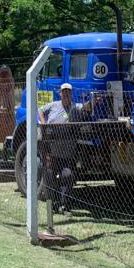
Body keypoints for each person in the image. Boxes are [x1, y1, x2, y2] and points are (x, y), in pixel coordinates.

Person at [39, 83, 91, 212]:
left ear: (71, 94)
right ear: (60, 93)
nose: (66, 94)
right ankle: (53, 204)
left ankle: (65, 204)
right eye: (64, 92)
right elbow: (40, 110)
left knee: (67, 175)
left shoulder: (75, 107)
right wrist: (44, 123)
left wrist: (94, 101)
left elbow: (86, 107)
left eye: (68, 92)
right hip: (52, 151)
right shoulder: (53, 105)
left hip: (68, 152)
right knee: (50, 176)